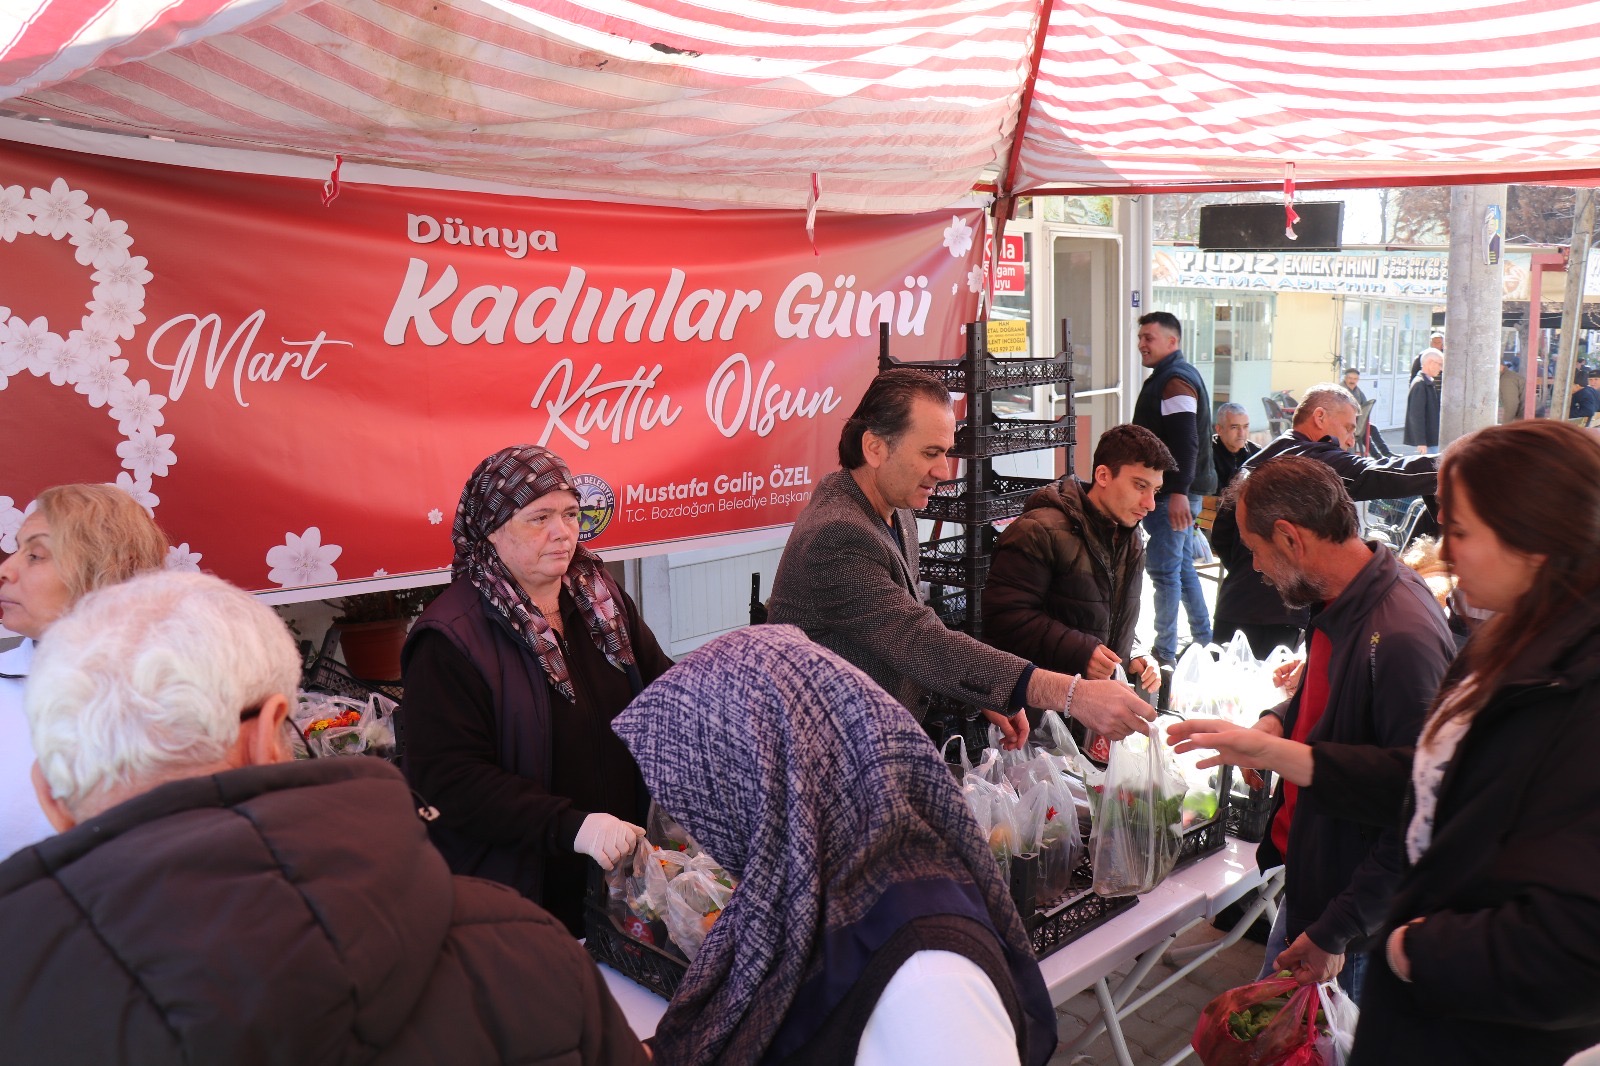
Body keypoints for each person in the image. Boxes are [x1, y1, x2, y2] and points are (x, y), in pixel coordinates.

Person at [0, 570, 648, 1065]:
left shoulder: (22, 999)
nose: (560, 532)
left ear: (51, 799)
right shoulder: (524, 950)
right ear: (268, 737)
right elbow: (456, 776)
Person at [1169, 421, 1600, 1065]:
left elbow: (1570, 943)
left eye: (1460, 532)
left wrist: (1406, 945)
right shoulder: (1510, 644)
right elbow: (1425, 781)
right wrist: (1274, 740)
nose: (1446, 555)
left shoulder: (1549, 680)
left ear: (1532, 542)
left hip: (1449, 1010)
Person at [610, 625, 1059, 1065]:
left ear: (755, 785)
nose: (692, 830)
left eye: (697, 801)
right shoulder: (804, 878)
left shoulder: (927, 980)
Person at [767, 368, 1155, 749]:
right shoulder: (838, 534)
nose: (943, 470)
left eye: (947, 452)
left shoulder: (895, 508)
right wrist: (1072, 694)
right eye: (931, 453)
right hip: (827, 753)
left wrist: (988, 694)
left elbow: (912, 638)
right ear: (874, 448)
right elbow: (919, 640)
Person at [1204, 459, 1454, 1004]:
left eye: (1255, 548)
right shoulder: (1345, 599)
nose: (1255, 565)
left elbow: (1421, 811)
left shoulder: (1399, 635)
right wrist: (1278, 719)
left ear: (1289, 538)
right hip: (1322, 887)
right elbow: (1332, 709)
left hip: (1352, 918)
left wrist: (1338, 928)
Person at [400, 444, 675, 935]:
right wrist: (574, 826)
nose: (563, 532)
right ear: (491, 530)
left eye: (570, 513)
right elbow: (451, 779)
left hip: (620, 874)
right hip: (523, 888)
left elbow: (660, 687)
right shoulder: (450, 637)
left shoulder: (599, 596)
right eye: (538, 517)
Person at [0, 483, 166, 859]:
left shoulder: (177, 694)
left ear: (103, 569)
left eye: (36, 555)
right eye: (16, 549)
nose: (6, 569)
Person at [1210, 384, 1438, 658]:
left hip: (1234, 603)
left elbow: (1221, 534)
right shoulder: (1311, 456)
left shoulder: (1259, 459)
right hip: (1276, 610)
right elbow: (1381, 474)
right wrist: (1451, 464)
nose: (1350, 440)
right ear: (1320, 417)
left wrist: (1250, 567)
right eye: (1348, 428)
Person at [981, 425, 1168, 747]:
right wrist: (1082, 650)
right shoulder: (1039, 529)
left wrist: (1134, 651)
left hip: (1094, 717)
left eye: (1156, 490)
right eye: (1140, 486)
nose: (1150, 503)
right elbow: (1004, 617)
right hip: (1034, 718)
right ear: (1103, 475)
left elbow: (1113, 611)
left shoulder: (1132, 538)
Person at [1131, 311, 1217, 670]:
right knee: (1180, 568)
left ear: (1172, 341)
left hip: (1173, 494)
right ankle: (1205, 641)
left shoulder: (1174, 380)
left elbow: (1186, 438)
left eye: (1149, 337)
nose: (1141, 344)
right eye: (1141, 337)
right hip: (1177, 491)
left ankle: (1164, 651)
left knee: (1165, 572)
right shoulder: (1170, 376)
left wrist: (1179, 491)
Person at [1339, 367, 1391, 458]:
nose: (1352, 381)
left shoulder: (1357, 391)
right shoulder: (1340, 390)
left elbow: (1364, 405)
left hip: (1356, 421)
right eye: (1350, 378)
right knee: (1363, 432)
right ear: (1345, 378)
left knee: (1371, 428)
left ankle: (1386, 453)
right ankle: (1377, 456)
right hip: (1344, 423)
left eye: (1355, 379)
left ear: (1358, 380)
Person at [1403, 350, 1443, 455]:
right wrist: (1421, 442)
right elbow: (1416, 415)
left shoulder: (1428, 382)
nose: (1441, 368)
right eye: (1439, 364)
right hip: (1428, 442)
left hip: (1432, 439)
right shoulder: (1420, 384)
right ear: (1430, 362)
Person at [1211, 401, 1259, 489]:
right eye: (1234, 427)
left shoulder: (1257, 453)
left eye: (1245, 427)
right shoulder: (1206, 454)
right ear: (1219, 429)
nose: (1241, 433)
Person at [1498, 359, 1526, 423]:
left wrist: (1505, 427)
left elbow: (1511, 405)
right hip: (1528, 412)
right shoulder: (1508, 376)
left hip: (1529, 413)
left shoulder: (1506, 379)